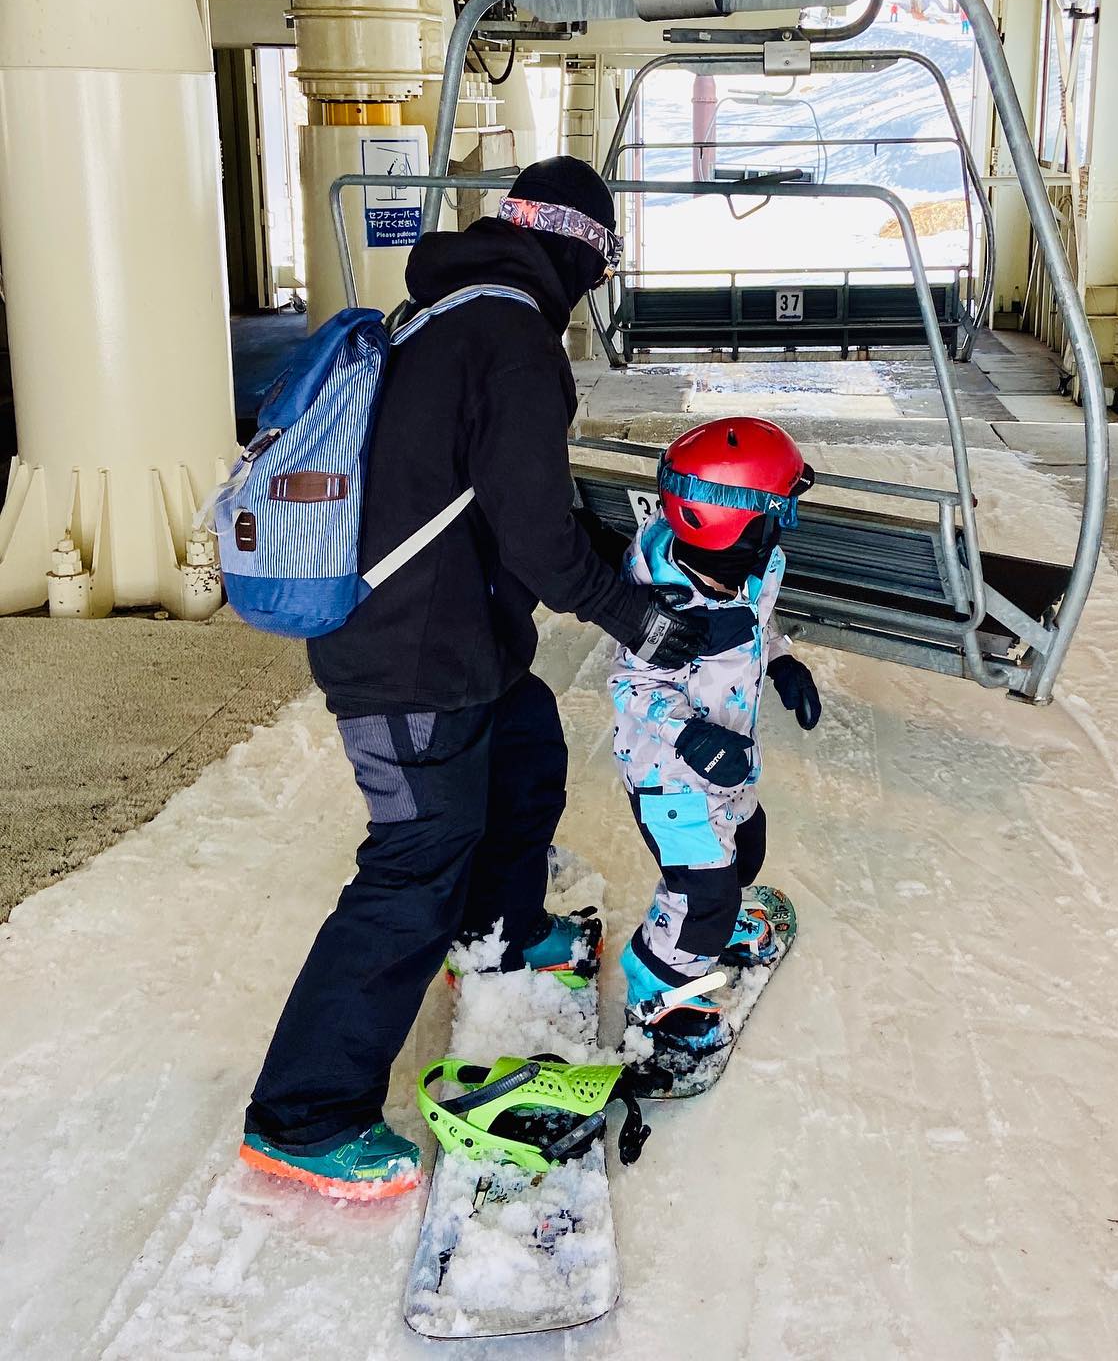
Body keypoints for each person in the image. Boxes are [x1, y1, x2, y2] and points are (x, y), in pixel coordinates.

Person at [240, 157, 758, 1200]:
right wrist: (643, 622)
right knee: (414, 862)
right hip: (408, 658)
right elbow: (534, 536)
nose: (595, 289)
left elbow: (504, 501)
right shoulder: (514, 339)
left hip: (454, 639)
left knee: (525, 750)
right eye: (602, 264)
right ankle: (302, 1112)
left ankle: (497, 928)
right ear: (574, 248)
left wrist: (615, 560)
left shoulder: (453, 309)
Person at [608, 417, 822, 1067]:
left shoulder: (755, 567)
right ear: (734, 526)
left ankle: (712, 929)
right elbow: (631, 687)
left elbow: (761, 623)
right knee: (701, 897)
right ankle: (659, 999)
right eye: (776, 515)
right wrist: (690, 735)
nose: (783, 529)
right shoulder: (659, 606)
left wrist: (781, 660)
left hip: (728, 760)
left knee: (747, 851)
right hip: (669, 778)